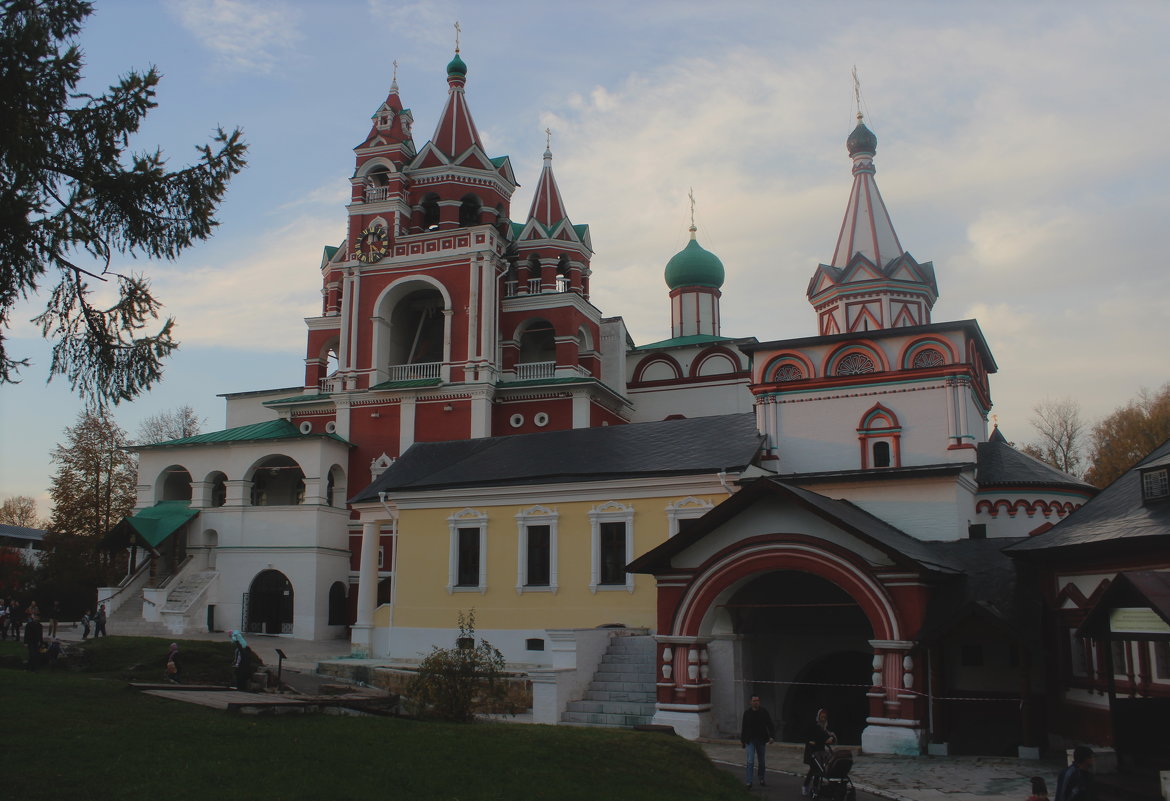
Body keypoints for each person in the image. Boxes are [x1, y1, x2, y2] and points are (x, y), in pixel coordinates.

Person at [739, 695, 775, 789]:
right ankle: (749, 782)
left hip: (761, 739)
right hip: (750, 740)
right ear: (750, 702)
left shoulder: (763, 712)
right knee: (750, 761)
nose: (756, 702)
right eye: (754, 701)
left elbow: (769, 724)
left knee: (761, 761)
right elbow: (744, 727)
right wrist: (743, 741)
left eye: (757, 700)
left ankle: (761, 778)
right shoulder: (747, 713)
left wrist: (772, 736)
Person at [802, 708, 837, 796]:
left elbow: (828, 737)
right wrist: (810, 741)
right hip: (812, 751)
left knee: (818, 770)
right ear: (818, 716)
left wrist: (831, 738)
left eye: (824, 716)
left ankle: (815, 787)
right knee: (814, 770)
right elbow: (813, 736)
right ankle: (807, 786)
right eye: (822, 716)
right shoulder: (815, 726)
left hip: (820, 751)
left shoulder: (825, 727)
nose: (823, 718)